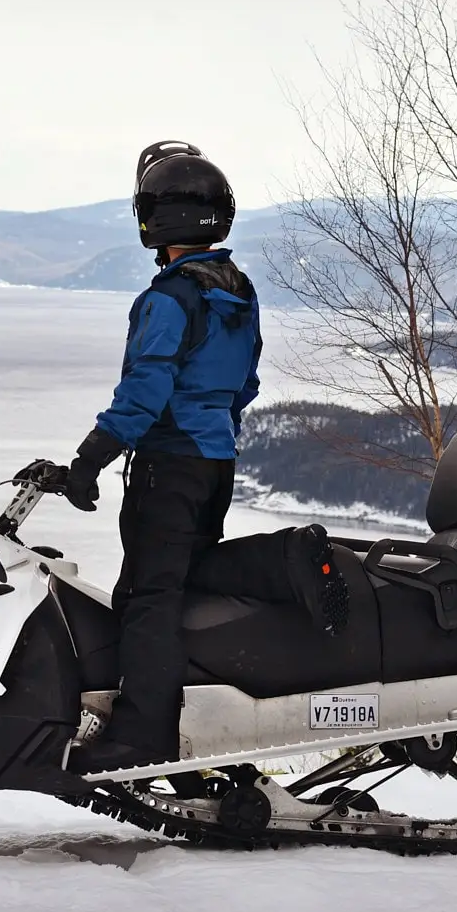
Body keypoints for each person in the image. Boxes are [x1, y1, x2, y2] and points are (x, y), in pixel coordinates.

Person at [61, 141, 347, 774]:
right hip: (215, 463)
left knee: (148, 598)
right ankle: (192, 705)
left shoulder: (168, 299)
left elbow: (145, 389)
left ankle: (143, 735)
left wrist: (88, 462)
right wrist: (212, 434)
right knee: (188, 588)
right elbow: (243, 386)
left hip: (168, 464)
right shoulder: (237, 292)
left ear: (157, 218)